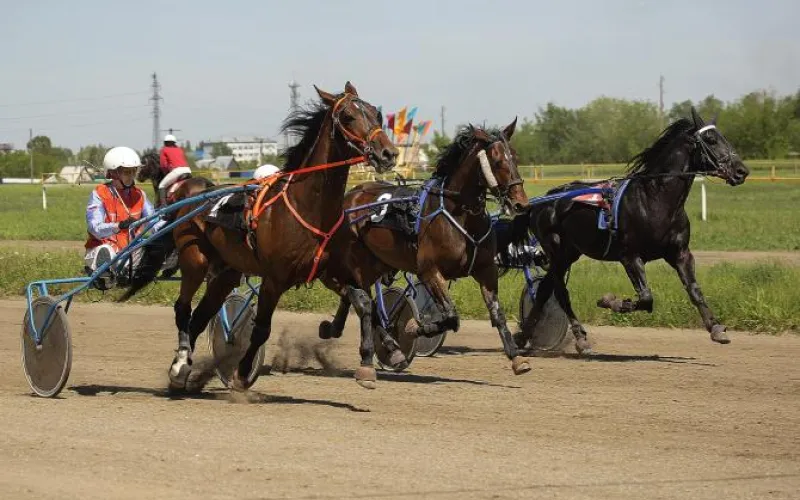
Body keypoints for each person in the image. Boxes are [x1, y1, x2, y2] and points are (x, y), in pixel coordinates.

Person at [84, 146, 158, 288]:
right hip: (101, 249)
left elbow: (154, 222)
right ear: (113, 173)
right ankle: (104, 271)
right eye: (126, 172)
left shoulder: (140, 195)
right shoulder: (100, 194)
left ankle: (133, 270)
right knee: (106, 251)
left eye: (133, 171)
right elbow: (94, 228)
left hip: (130, 253)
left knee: (161, 247)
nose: (131, 176)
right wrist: (118, 226)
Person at [158, 134, 191, 205]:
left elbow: (163, 165)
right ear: (174, 142)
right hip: (188, 170)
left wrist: (166, 172)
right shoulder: (180, 149)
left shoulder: (163, 150)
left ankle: (163, 207)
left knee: (161, 185)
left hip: (177, 171)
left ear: (165, 142)